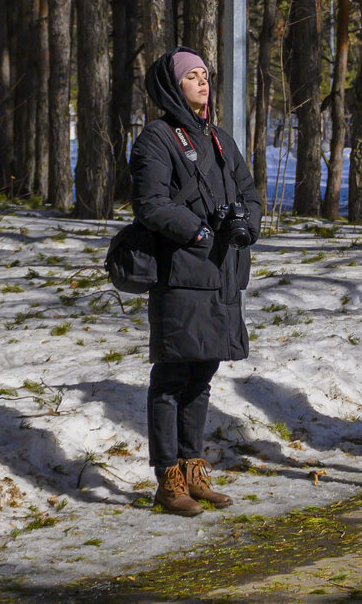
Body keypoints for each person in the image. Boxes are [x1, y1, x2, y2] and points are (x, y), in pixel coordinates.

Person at [129, 47, 263, 515]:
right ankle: (167, 481)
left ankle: (193, 471)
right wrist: (201, 231)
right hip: (182, 273)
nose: (203, 83)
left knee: (203, 375)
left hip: (223, 273)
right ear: (172, 86)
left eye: (206, 74)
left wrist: (249, 225)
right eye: (192, 77)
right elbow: (150, 204)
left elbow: (248, 191)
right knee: (171, 377)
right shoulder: (156, 139)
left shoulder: (221, 138)